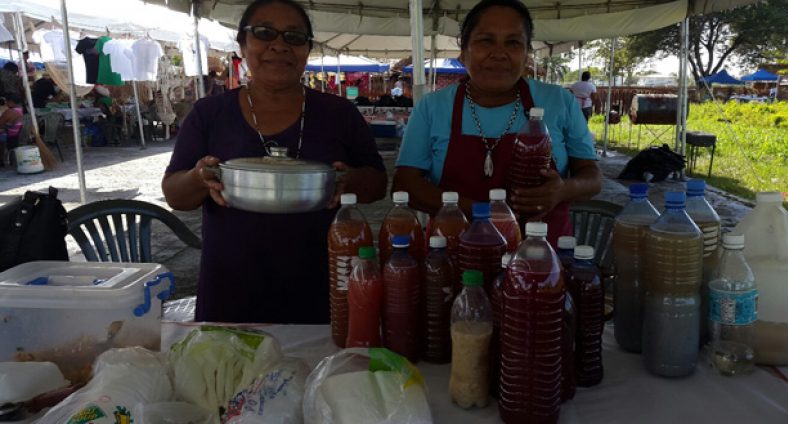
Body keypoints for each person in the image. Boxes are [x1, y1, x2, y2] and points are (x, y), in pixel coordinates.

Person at [162, 0, 387, 324]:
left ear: (308, 49)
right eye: (265, 33)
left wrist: (347, 179)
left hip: (320, 284)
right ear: (242, 44)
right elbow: (174, 195)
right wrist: (200, 178)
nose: (279, 45)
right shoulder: (209, 114)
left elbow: (377, 185)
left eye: (294, 37)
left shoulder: (339, 114)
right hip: (230, 287)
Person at [393, 0, 601, 244]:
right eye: (486, 40)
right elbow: (405, 185)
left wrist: (563, 190)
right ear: (464, 49)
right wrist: (482, 212)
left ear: (526, 54)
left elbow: (592, 177)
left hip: (542, 261)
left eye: (513, 42)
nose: (499, 54)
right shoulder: (432, 107)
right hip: (452, 255)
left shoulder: (559, 101)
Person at [0, 96, 23, 166]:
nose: (5, 103)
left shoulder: (9, 112)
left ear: (11, 102)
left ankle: (1, 160)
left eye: (7, 101)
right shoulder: (22, 109)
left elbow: (0, 124)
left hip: (10, 136)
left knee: (1, 134)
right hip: (17, 135)